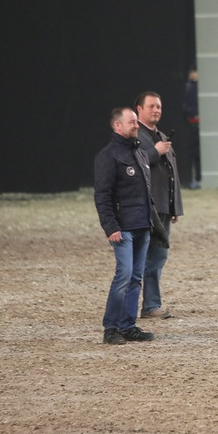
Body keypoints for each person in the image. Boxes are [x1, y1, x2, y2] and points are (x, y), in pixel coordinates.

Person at [93, 108, 156, 345]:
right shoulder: (107, 156)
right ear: (117, 126)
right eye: (131, 122)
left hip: (142, 225)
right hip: (123, 228)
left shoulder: (139, 152)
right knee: (124, 276)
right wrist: (111, 227)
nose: (136, 125)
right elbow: (102, 196)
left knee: (136, 277)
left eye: (136, 122)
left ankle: (128, 325)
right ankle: (111, 327)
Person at [135, 91, 183, 320]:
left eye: (159, 107)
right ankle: (149, 305)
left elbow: (172, 174)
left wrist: (175, 207)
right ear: (139, 109)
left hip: (163, 206)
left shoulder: (161, 135)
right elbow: (134, 163)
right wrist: (156, 151)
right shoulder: (135, 136)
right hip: (145, 207)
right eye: (152, 106)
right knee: (148, 257)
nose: (156, 110)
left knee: (158, 256)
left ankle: (151, 304)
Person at [181, 68, 202, 189]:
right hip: (192, 125)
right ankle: (192, 179)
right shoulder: (189, 87)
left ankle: (198, 178)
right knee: (192, 153)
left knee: (198, 154)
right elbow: (185, 108)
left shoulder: (198, 87)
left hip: (198, 126)